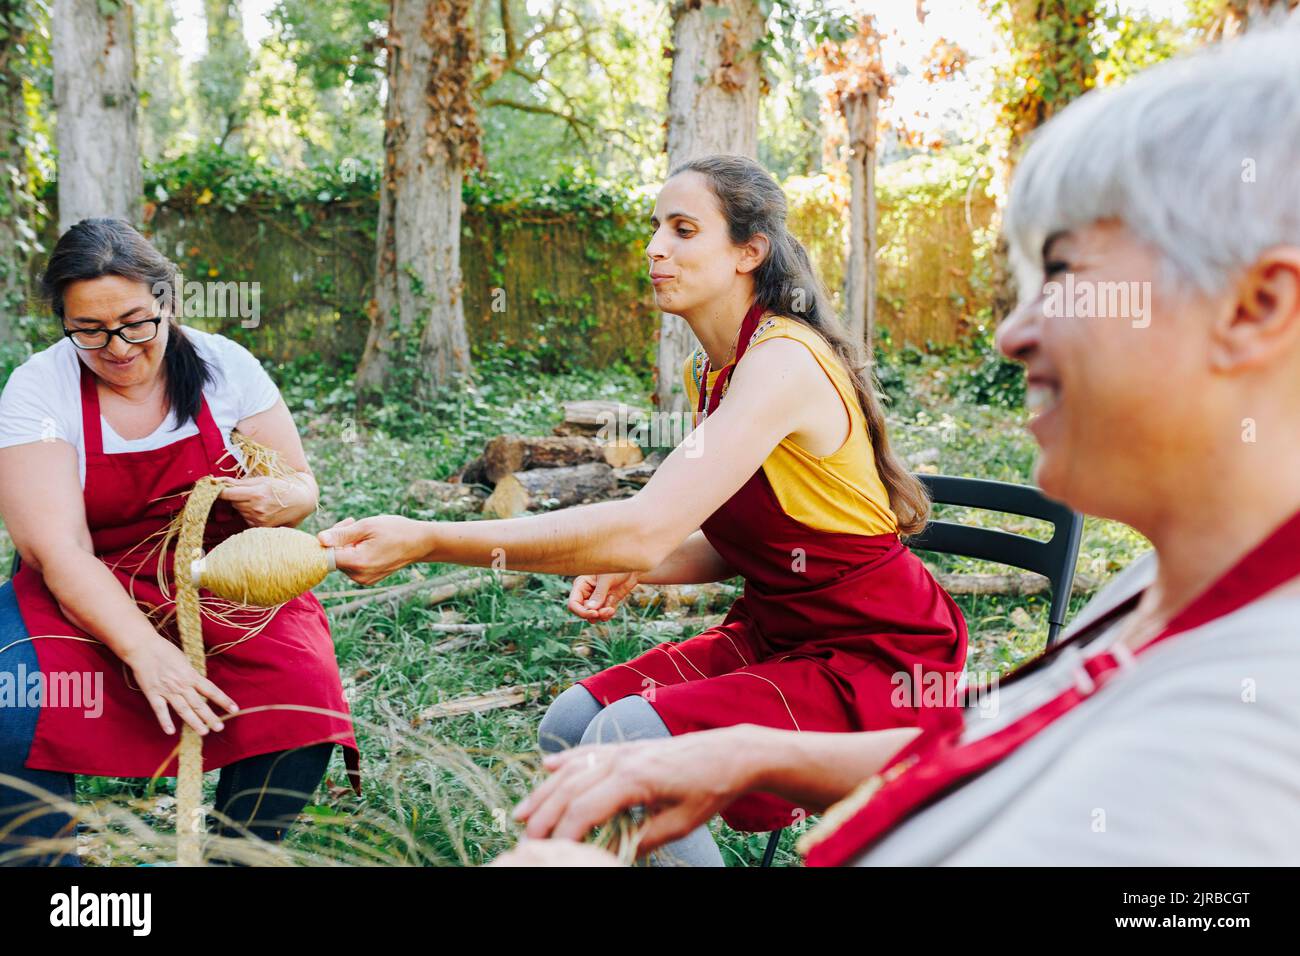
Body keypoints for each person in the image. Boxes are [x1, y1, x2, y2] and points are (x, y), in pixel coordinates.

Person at [499, 22, 1300, 866]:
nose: (1012, 333)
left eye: (1064, 275)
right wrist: (751, 752)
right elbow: (1014, 742)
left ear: (1255, 309)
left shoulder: (1247, 732)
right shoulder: (1158, 592)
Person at [318, 155, 967, 866]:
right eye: (656, 227)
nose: (655, 247)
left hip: (872, 655)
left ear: (749, 252)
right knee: (572, 727)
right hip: (780, 631)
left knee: (626, 736)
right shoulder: (709, 370)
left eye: (684, 229)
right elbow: (759, 536)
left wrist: (427, 537)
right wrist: (644, 565)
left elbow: (643, 524)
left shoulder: (783, 363)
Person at [0, 219, 359, 866]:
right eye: (89, 330)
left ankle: (232, 857)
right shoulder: (38, 390)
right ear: (62, 320)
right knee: (11, 700)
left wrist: (287, 499)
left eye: (137, 322)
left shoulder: (226, 368)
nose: (116, 347)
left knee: (303, 693)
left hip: (217, 578)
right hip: (84, 586)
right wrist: (143, 650)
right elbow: (59, 553)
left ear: (167, 301)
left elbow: (302, 486)